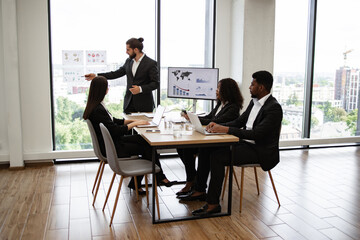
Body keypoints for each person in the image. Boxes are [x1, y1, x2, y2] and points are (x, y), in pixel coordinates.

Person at [191, 70, 283, 216]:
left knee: (217, 157)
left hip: (259, 150)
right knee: (207, 148)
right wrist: (218, 127)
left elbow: (257, 134)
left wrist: (226, 129)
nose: (249, 87)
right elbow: (239, 122)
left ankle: (213, 204)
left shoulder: (273, 108)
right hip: (245, 144)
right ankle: (199, 189)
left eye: (252, 84)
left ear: (261, 87)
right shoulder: (253, 104)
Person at [83, 76, 174, 194]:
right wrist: (135, 123)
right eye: (107, 87)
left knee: (142, 140)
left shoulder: (96, 106)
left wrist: (130, 121)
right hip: (113, 148)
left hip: (112, 143)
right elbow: (116, 130)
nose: (108, 89)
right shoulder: (98, 109)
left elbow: (112, 121)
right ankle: (159, 177)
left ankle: (150, 179)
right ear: (102, 89)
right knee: (148, 147)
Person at [176, 78, 244, 196]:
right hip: (213, 137)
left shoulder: (233, 108)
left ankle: (198, 186)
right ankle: (193, 180)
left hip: (222, 142)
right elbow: (209, 116)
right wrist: (194, 118)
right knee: (183, 147)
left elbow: (215, 121)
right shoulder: (220, 104)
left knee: (203, 150)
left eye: (218, 88)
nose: (216, 91)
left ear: (226, 90)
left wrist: (195, 119)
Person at [85, 37, 159, 114]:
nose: (126, 52)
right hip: (129, 104)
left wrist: (140, 89)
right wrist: (96, 75)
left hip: (144, 105)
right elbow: (116, 73)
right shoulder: (129, 61)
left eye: (128, 50)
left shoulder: (151, 63)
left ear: (136, 50)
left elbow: (155, 84)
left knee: (143, 125)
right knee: (127, 125)